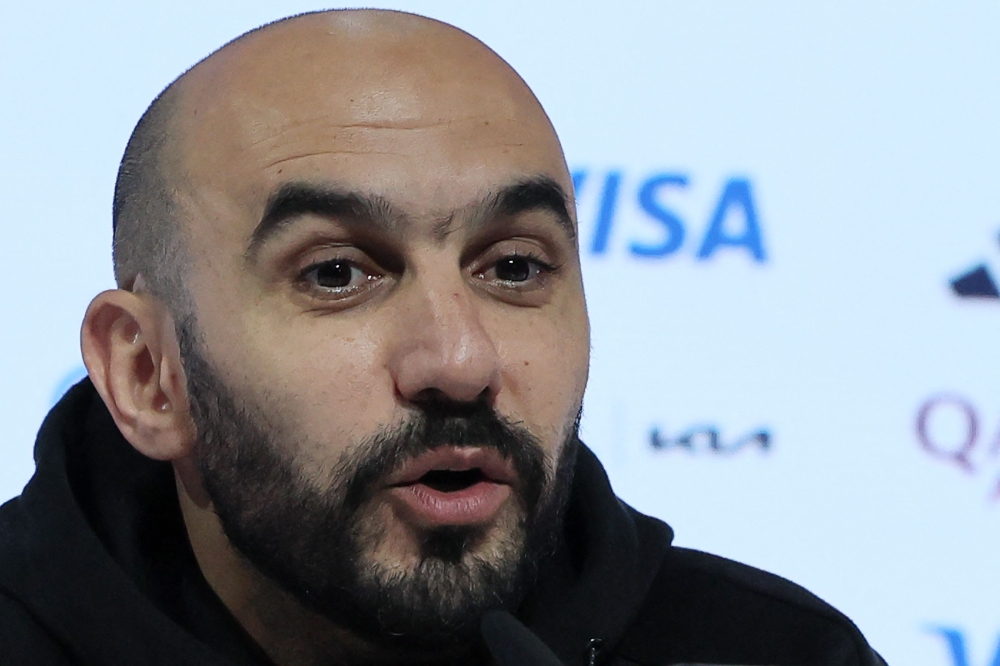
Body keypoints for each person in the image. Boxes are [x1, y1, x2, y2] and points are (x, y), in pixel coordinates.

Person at [0, 9, 886, 666]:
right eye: (337, 273)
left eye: (513, 268)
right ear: (148, 374)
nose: (460, 361)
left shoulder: (776, 651)